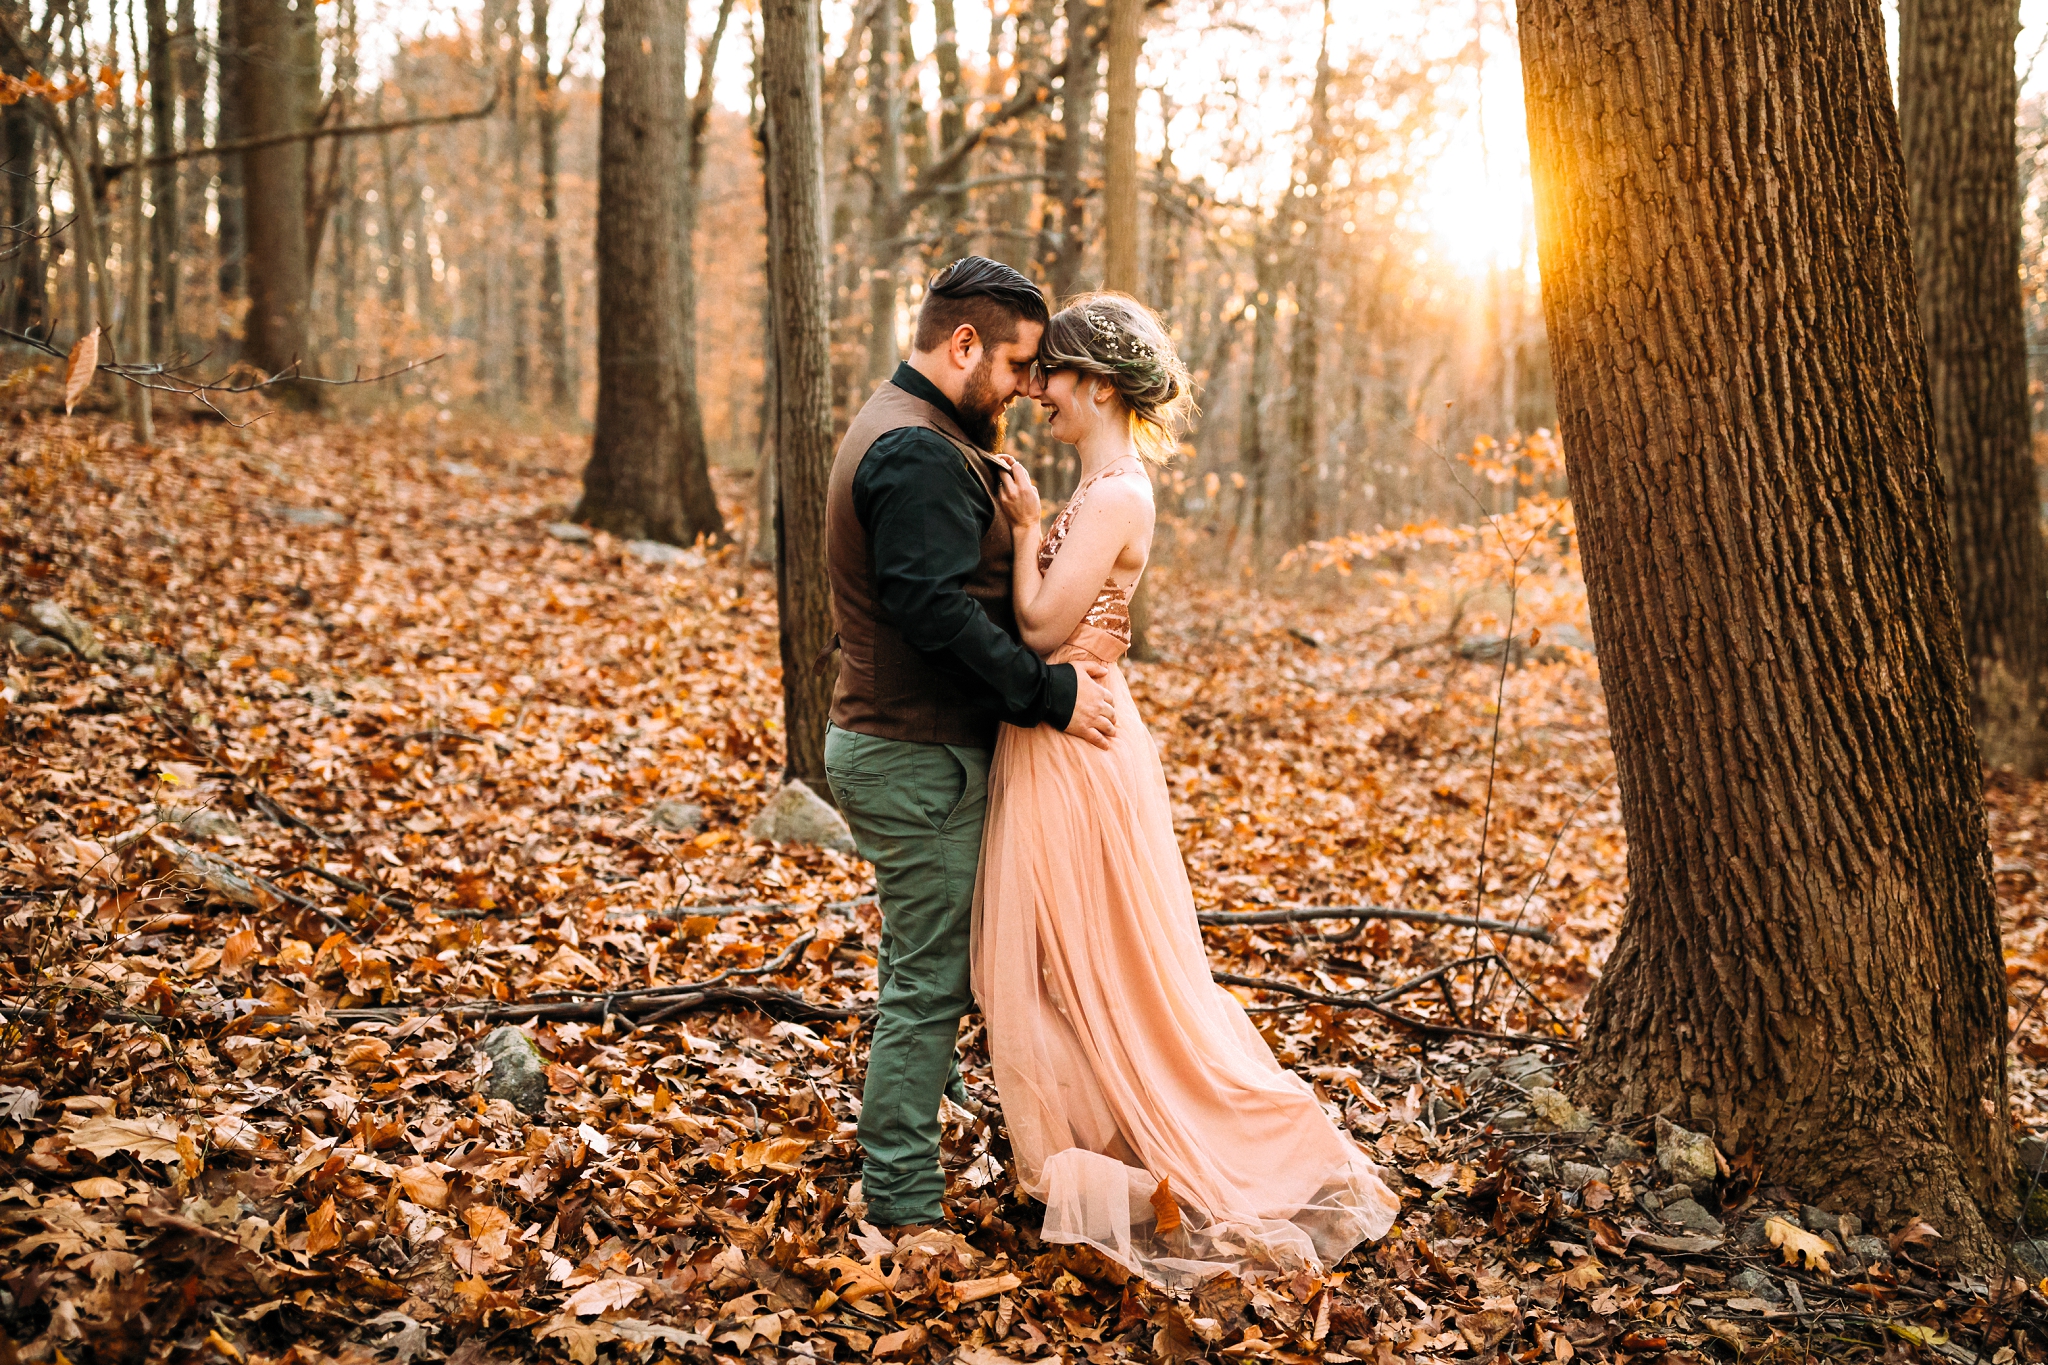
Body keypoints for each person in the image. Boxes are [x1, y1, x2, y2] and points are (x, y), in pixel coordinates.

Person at [974, 293, 1400, 1285]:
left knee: (1087, 960)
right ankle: (1071, 1152)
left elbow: (1038, 631)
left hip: (1075, 748)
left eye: (1056, 376)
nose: (1038, 392)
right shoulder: (1096, 487)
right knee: (1043, 960)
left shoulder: (1117, 494)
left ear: (1102, 386)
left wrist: (1028, 523)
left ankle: (1145, 1154)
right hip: (1047, 736)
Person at [822, 257, 1121, 1236]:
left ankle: (930, 1121)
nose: (1028, 389)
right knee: (928, 980)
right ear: (961, 346)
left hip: (920, 750)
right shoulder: (913, 450)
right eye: (1017, 365)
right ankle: (902, 1203)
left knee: (938, 962)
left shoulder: (935, 433)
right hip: (914, 756)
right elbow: (933, 613)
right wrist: (1049, 697)